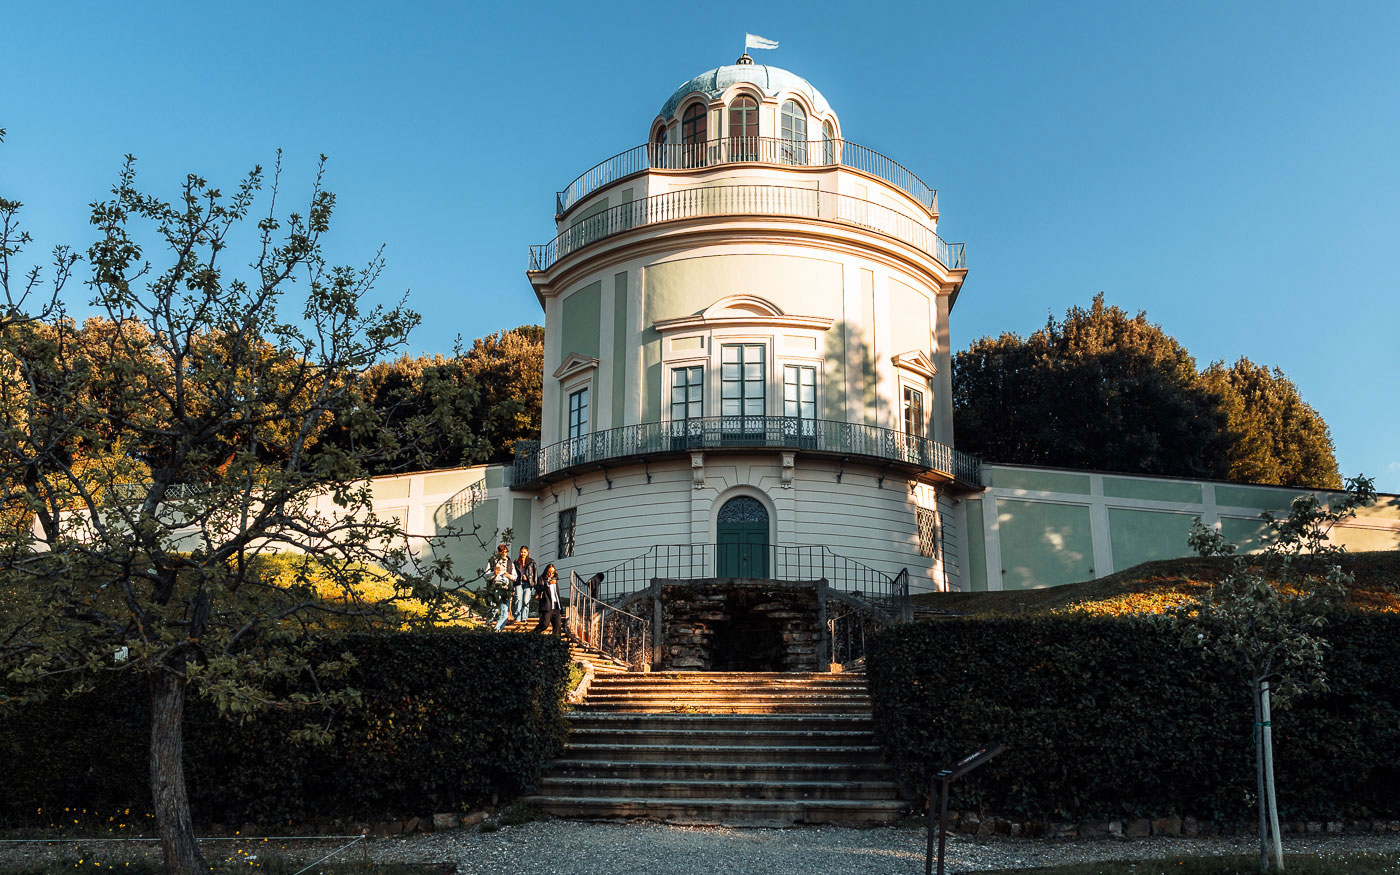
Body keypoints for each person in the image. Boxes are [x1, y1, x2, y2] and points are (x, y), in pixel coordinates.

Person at [533, 563, 573, 641]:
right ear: (546, 571)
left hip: (556, 605)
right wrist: (547, 584)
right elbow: (538, 588)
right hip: (547, 605)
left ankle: (556, 642)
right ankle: (533, 634)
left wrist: (561, 607)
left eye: (553, 572)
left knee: (557, 626)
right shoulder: (541, 579)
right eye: (549, 572)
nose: (551, 574)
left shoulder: (555, 581)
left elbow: (557, 594)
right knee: (545, 624)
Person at [487, 542, 517, 632]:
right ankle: (487, 625)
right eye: (501, 552)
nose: (504, 554)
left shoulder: (510, 563)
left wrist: (509, 575)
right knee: (493, 609)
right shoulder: (492, 561)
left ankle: (497, 630)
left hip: (506, 588)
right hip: (495, 586)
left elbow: (515, 576)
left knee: (504, 611)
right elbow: (486, 575)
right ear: (498, 552)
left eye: (505, 552)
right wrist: (493, 573)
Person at [513, 545, 537, 624]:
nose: (523, 553)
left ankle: (524, 617)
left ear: (527, 553)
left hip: (528, 583)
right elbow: (513, 572)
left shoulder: (531, 562)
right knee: (518, 599)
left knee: (526, 600)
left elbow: (534, 573)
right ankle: (517, 617)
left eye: (524, 552)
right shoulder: (516, 561)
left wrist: (533, 583)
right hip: (518, 582)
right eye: (522, 552)